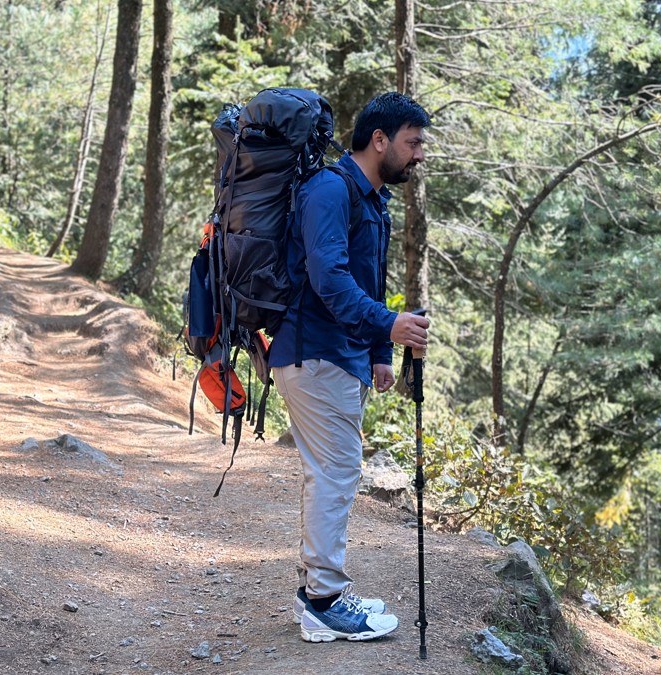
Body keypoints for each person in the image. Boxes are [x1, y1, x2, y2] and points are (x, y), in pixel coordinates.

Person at [268, 92, 432, 643]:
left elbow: (364, 281)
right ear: (379, 139)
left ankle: (317, 589)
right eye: (412, 143)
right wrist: (388, 325)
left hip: (339, 356)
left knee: (330, 473)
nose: (419, 155)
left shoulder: (371, 200)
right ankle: (324, 600)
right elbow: (329, 280)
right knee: (336, 474)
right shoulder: (330, 190)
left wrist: (379, 353)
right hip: (312, 352)